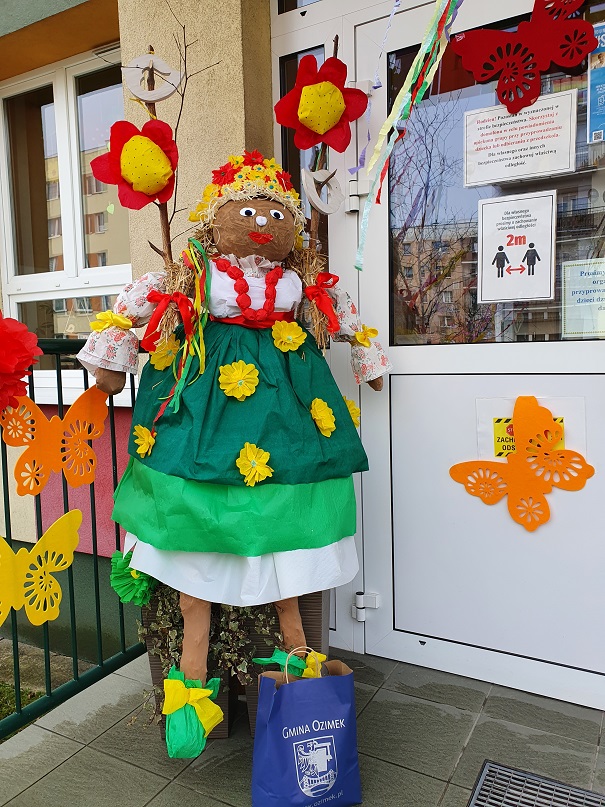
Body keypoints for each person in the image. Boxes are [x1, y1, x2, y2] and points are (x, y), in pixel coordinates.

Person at [77, 151, 390, 741]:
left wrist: (367, 356)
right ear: (218, 220)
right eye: (248, 213)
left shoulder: (299, 282)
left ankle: (300, 676)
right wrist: (112, 362)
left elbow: (342, 314)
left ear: (290, 226)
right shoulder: (195, 273)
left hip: (286, 406)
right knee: (197, 542)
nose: (262, 224)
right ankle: (192, 688)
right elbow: (137, 306)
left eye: (274, 215)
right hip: (206, 403)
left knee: (285, 547)